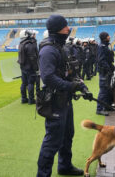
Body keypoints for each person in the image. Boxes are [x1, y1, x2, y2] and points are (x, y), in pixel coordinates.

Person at [37, 15, 92, 177]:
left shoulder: (60, 47)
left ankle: (64, 166)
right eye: (65, 26)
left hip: (65, 100)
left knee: (68, 135)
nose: (68, 29)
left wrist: (81, 86)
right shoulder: (48, 50)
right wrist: (70, 86)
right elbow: (48, 77)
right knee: (52, 142)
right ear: (57, 29)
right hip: (54, 102)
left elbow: (69, 72)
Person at [18, 30, 39, 104]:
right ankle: (31, 100)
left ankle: (23, 99)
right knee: (31, 83)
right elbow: (32, 58)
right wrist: (36, 68)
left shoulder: (21, 44)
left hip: (23, 67)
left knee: (24, 83)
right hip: (29, 67)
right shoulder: (29, 44)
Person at [96, 32, 115, 116]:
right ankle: (99, 109)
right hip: (104, 72)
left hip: (107, 71)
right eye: (108, 36)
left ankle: (106, 106)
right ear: (104, 38)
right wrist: (108, 69)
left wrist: (111, 67)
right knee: (103, 90)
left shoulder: (106, 46)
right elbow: (101, 60)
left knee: (107, 89)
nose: (109, 36)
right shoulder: (101, 47)